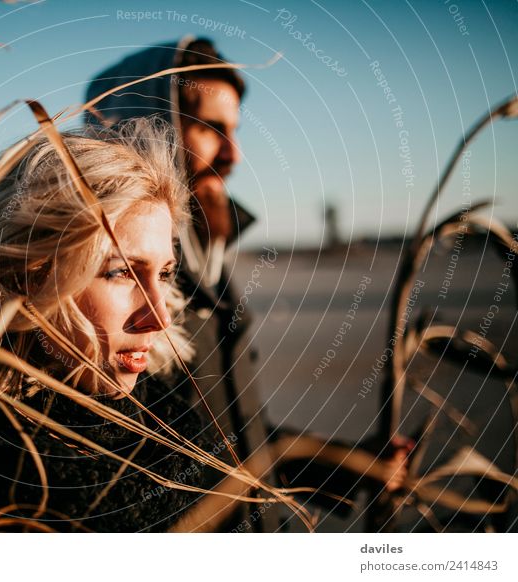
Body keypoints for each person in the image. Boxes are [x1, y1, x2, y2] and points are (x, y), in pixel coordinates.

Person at [86, 38, 409, 531]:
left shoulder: (208, 271)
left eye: (234, 131)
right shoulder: (94, 298)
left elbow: (238, 438)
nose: (233, 155)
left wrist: (354, 465)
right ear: (146, 126)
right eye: (210, 129)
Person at [0, 118, 238, 533]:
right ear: (28, 276)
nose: (159, 316)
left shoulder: (176, 435)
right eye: (121, 272)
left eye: (164, 274)